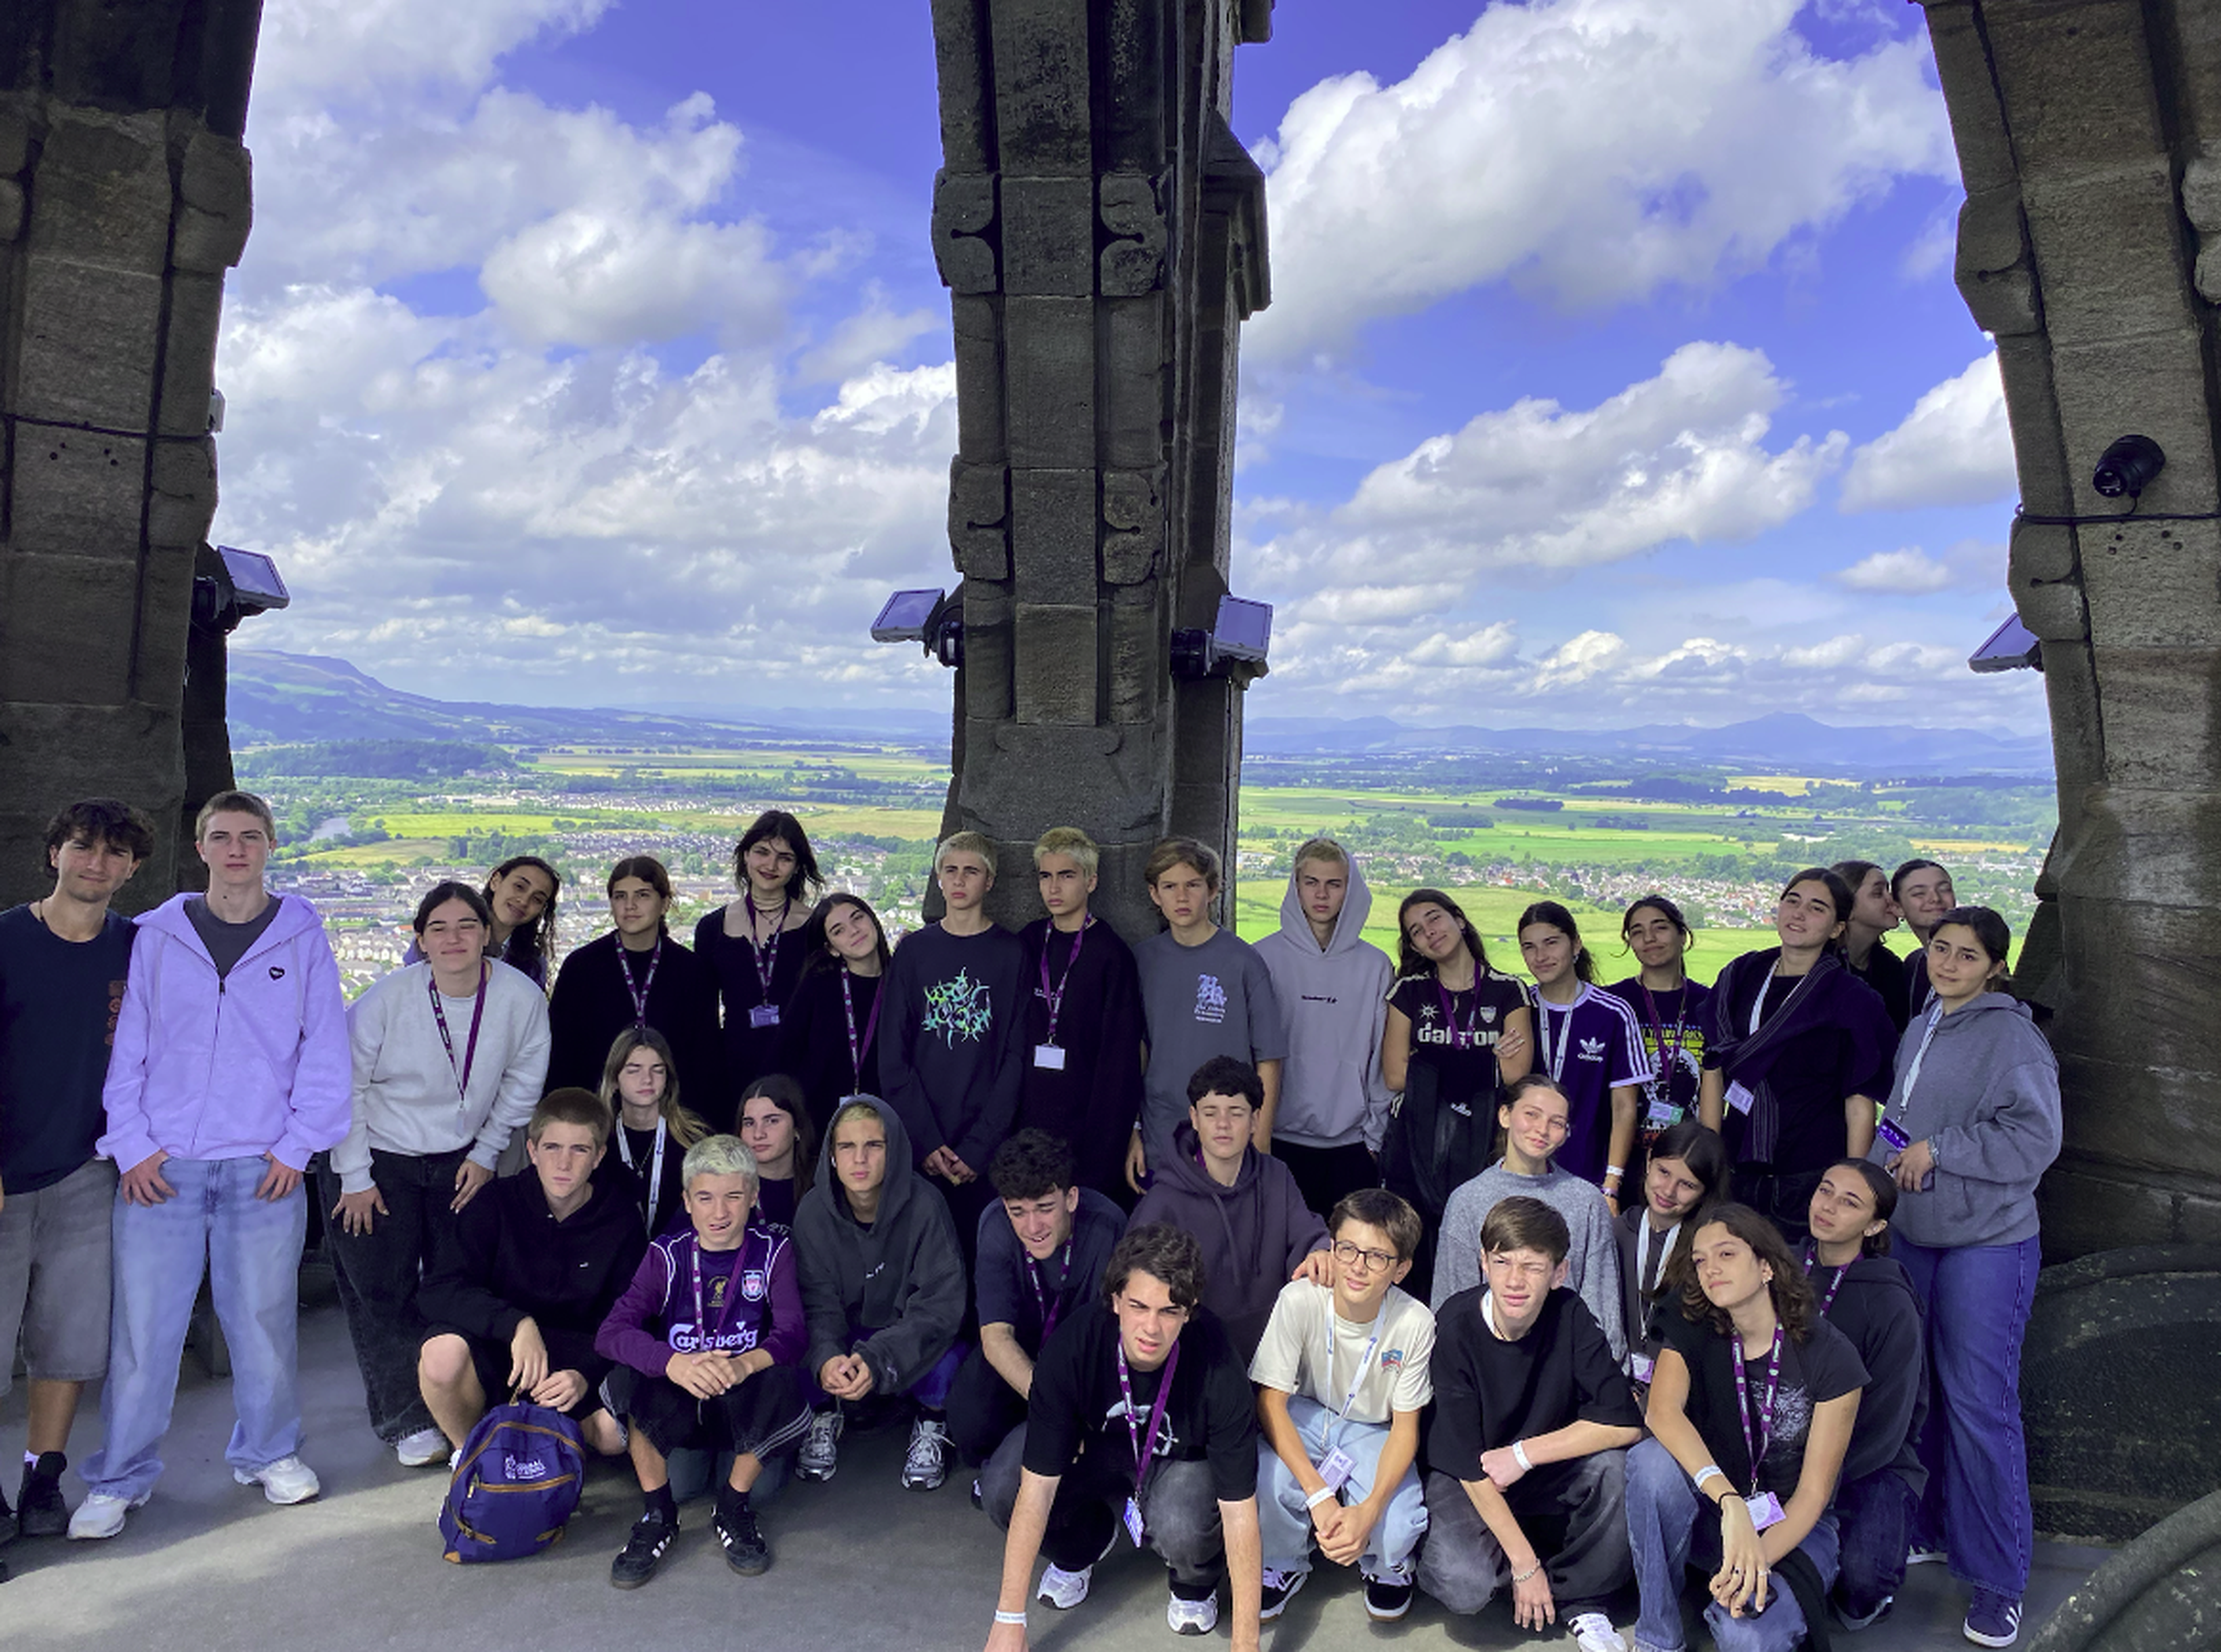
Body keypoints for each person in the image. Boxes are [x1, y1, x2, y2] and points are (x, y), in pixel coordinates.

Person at [70, 792, 352, 1540]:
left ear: (269, 847)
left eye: (250, 837)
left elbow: (326, 1053)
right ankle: (120, 1477)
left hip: (263, 1167)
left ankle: (269, 1453)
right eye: (222, 836)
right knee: (143, 1331)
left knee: (261, 1324)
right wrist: (132, 1146)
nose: (236, 850)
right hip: (163, 1167)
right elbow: (126, 1048)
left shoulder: (302, 936)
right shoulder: (159, 935)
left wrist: (296, 1149)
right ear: (202, 848)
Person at [1870, 905, 2060, 1650]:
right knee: (1930, 1396)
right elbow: (1901, 1116)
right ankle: (1940, 1527)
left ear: (1995, 966)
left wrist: (1941, 1149)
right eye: (1939, 948)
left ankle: (2000, 1580)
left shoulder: (2014, 1038)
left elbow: (2036, 1138)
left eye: (1966, 955)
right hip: (1918, 1232)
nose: (1948, 963)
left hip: (1990, 1241)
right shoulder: (1924, 1021)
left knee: (1982, 1404)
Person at [324, 881, 552, 1468]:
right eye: (440, 928)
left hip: (461, 1159)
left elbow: (524, 1081)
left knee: (456, 1285)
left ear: (487, 936)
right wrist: (354, 1175)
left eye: (467, 926)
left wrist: (485, 1153)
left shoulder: (519, 998)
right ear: (420, 939)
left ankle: (457, 1398)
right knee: (380, 1290)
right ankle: (405, 1419)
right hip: (377, 1157)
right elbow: (345, 1087)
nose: (454, 939)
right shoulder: (386, 999)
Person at [978, 1222, 1264, 1646]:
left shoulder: (1219, 1363)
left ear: (1190, 1309)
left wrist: (1246, 1644)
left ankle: (1193, 1582)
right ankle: (1080, 1546)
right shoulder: (1073, 1345)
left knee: (1183, 1521)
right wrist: (1008, 1618)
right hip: (1093, 1451)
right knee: (1004, 1484)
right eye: (1139, 1306)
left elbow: (1241, 1512)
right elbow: (1036, 1491)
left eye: (1170, 1311)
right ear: (1115, 1300)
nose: (1152, 1327)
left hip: (1178, 1465)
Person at [0, 799, 149, 1552]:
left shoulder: (138, 946)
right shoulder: (5, 939)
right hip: (2, 1173)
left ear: (132, 869)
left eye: (116, 853)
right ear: (54, 851)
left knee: (69, 1339)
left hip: (88, 1170)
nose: (98, 862)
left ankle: (41, 1475)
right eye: (84, 846)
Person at [1619, 1204, 1868, 1652]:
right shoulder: (1693, 1322)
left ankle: (1736, 1590)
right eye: (1699, 1259)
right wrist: (1729, 1500)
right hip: (1719, 1512)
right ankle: (1658, 1637)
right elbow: (1662, 1413)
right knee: (1649, 1461)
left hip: (1793, 1526)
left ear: (1767, 1265)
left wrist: (1752, 1561)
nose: (1710, 1268)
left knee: (1745, 1638)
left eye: (1727, 1254)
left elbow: (1813, 1494)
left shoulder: (1832, 1356)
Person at [1417, 1197, 1643, 1652]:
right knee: (1463, 1585)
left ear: (1559, 1272)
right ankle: (1527, 1567)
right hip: (1469, 1476)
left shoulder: (1571, 1315)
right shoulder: (1456, 1325)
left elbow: (1624, 1422)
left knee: (1616, 1470)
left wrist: (1523, 1454)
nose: (1515, 1280)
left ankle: (1584, 1598)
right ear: (1483, 1262)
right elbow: (1465, 1461)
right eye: (1502, 1262)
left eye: (1533, 1266)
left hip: (1536, 1466)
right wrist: (1524, 1564)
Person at [597, 1134, 812, 1587]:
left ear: (753, 1197)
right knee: (635, 1376)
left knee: (779, 1383)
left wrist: (743, 1364)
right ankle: (658, 1514)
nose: (720, 1212)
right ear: (687, 1201)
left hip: (743, 1402)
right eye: (706, 1197)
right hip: (685, 1395)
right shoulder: (666, 1254)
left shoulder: (774, 1249)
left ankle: (733, 1505)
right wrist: (673, 1361)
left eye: (734, 1196)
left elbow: (792, 1334)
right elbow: (611, 1333)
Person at [415, 1088, 645, 1458]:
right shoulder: (495, 1203)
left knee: (613, 1437)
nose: (564, 1163)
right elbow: (439, 1290)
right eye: (552, 1148)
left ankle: (560, 1444)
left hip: (576, 1358)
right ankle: (472, 1453)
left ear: (599, 1156)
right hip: (504, 1349)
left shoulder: (620, 1219)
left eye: (580, 1150)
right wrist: (516, 1324)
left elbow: (630, 1316)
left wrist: (585, 1373)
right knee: (441, 1355)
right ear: (533, 1151)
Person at [1252, 1188, 1435, 1623]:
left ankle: (1386, 1565)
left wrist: (1369, 1511)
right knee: (1265, 1480)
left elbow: (1406, 1428)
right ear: (1331, 1247)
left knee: (1397, 1526)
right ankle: (1285, 1559)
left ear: (1402, 1269)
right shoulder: (1300, 1298)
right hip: (1306, 1411)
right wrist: (1319, 1495)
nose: (1357, 1266)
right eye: (1348, 1248)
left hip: (1373, 1428)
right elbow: (1271, 1402)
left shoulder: (1415, 1322)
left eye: (1377, 1257)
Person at [1699, 868, 1895, 1244]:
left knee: (1799, 1291)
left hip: (1811, 1176)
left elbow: (1860, 1101)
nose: (1799, 913)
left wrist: (1855, 1186)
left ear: (1838, 927)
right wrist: (1709, 1162)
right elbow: (1714, 1067)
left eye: (1817, 907)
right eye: (1792, 900)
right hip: (1737, 1168)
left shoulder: (1851, 998)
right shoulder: (1742, 973)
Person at [792, 1096, 966, 1491]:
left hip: (904, 1338)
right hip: (847, 1338)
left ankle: (931, 1418)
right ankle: (825, 1411)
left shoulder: (926, 1205)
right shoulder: (813, 1211)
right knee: (795, 1340)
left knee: (953, 1359)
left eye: (874, 1145)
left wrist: (879, 1356)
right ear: (832, 1156)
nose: (860, 1159)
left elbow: (941, 1304)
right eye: (847, 1147)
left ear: (895, 1150)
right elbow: (816, 1302)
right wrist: (828, 1357)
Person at [1379, 888, 1533, 1304]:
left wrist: (1429, 1062)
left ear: (1459, 919)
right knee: (1411, 1257)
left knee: (1480, 1256)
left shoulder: (1508, 990)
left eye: (1434, 918)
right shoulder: (1409, 992)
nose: (1430, 932)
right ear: (1414, 946)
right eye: (1416, 931)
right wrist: (1483, 1060)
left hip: (1485, 1143)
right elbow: (1395, 1075)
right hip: (1416, 1146)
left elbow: (1516, 1076)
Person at [881, 831, 1028, 1262]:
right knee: (920, 1258)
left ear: (990, 881)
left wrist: (979, 1146)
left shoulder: (1012, 953)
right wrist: (925, 1141)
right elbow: (893, 1055)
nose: (960, 880)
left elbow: (1015, 1058)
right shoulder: (913, 952)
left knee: (982, 1255)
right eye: (951, 870)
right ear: (939, 879)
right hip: (921, 1138)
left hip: (986, 1144)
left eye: (972, 870)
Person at [948, 1130, 1127, 1473]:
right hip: (1021, 1352)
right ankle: (998, 1466)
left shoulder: (1108, 1225)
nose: (1033, 1227)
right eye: (1018, 1212)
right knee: (969, 1416)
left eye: (1045, 1209)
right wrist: (1050, 1406)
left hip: (1086, 1358)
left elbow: (1112, 1335)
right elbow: (996, 1336)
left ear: (1071, 1198)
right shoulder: (996, 1226)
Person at [1130, 1057, 1331, 1361]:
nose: (1223, 1125)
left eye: (1236, 1113)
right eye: (1211, 1113)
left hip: (1272, 1351)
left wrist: (1319, 1250)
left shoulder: (1276, 1176)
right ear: (1194, 1119)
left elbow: (1309, 1233)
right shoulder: (1163, 1201)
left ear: (1255, 1120)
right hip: (1193, 1357)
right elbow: (1136, 1291)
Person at [1804, 1160, 1927, 1632]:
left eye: (1849, 1202)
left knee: (1859, 1585)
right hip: (1780, 1455)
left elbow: (1889, 1421)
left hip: (1870, 1462)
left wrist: (1816, 1484)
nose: (1828, 1207)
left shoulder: (1891, 1300)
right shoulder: (1780, 1269)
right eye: (1825, 1190)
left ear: (1875, 1224)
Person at [1433, 1074, 1626, 1361]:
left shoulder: (1587, 1201)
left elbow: (1602, 1303)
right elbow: (1452, 1302)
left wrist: (1606, 1381)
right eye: (1532, 1115)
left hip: (1566, 1365)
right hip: (1488, 1367)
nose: (1542, 1130)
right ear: (1505, 1115)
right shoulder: (1467, 1200)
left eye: (1556, 1123)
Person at [1131, 837, 1287, 1191]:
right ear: (1155, 895)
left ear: (1214, 890)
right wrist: (1134, 1129)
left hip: (1227, 1138)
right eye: (1170, 887)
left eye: (1193, 885)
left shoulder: (1243, 962)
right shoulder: (1142, 960)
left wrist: (1259, 1143)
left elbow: (1270, 1059)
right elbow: (1136, 1053)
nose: (1182, 897)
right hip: (1160, 1134)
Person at [1254, 839, 1394, 1217]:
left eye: (1334, 884)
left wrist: (1374, 1138)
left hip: (1351, 1147)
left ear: (1351, 889)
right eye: (1311, 881)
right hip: (1276, 1141)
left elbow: (1382, 1057)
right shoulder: (1262, 958)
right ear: (1294, 885)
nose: (1321, 894)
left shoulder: (1376, 967)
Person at [1016, 827, 1145, 1206]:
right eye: (1045, 875)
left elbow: (1119, 1062)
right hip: (1027, 1122)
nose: (1054, 887)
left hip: (1086, 1130)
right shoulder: (1027, 941)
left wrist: (1103, 1150)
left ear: (1091, 881)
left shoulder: (1111, 954)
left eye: (1067, 875)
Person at [546, 856, 726, 1126]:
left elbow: (704, 1059)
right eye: (620, 897)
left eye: (642, 895)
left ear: (664, 903)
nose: (630, 906)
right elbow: (563, 1055)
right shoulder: (582, 967)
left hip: (674, 1118)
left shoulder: (693, 971)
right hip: (595, 1116)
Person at [1518, 901, 1652, 1208]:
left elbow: (1624, 1107)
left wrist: (1611, 1184)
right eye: (1529, 947)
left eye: (1551, 943)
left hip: (1589, 1179)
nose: (1541, 956)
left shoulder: (1613, 1013)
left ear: (1576, 944)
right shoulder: (1518, 1008)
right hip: (1525, 1175)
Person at [696, 811, 821, 1099]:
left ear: (797, 867)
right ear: (745, 856)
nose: (771, 865)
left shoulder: (816, 927)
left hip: (799, 1071)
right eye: (762, 852)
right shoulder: (712, 928)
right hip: (731, 1069)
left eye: (785, 858)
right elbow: (704, 1014)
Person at [1614, 1119, 1731, 1391]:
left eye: (1687, 1185)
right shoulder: (1615, 1233)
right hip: (1613, 1389)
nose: (1668, 1191)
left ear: (1705, 1194)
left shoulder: (1709, 1255)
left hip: (1677, 1397)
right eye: (1664, 1172)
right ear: (1648, 1163)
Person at [1605, 895, 1712, 1160]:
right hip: (1620, 1155)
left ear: (1683, 936)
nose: (1649, 938)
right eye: (1637, 932)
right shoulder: (1613, 1003)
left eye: (1660, 927)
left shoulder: (1710, 1003)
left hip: (1688, 1155)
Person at [777, 892, 890, 1136]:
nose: (854, 931)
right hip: (821, 1123)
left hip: (887, 1121)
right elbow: (785, 1051)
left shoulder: (901, 980)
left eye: (857, 918)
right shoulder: (819, 985)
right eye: (839, 931)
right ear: (832, 948)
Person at [595, 1026, 705, 1239]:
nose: (647, 1079)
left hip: (677, 1261)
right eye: (634, 1070)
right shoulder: (599, 1141)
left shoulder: (694, 1140)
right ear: (615, 1078)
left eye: (657, 1069)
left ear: (668, 1078)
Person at [403, 855, 561, 991]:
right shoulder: (442, 936)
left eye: (537, 899)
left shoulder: (533, 965)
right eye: (519, 887)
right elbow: (408, 988)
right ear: (496, 882)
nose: (524, 901)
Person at [1833, 861, 1909, 1032]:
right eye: (1878, 893)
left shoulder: (1890, 967)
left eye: (1888, 890)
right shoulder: (1821, 965)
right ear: (1847, 909)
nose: (1891, 899)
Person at [738, 1074, 817, 1228]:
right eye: (749, 1123)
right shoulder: (725, 1186)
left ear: (797, 1128)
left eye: (772, 1121)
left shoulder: (823, 1187)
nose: (758, 1134)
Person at [1891, 859, 1956, 1021]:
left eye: (1945, 889)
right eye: (1919, 893)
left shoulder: (1979, 961)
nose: (1935, 898)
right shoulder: (1914, 965)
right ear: (1897, 907)